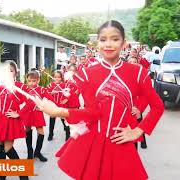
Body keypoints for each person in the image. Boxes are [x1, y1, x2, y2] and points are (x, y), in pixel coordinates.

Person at [35, 20, 164, 180]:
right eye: (103, 39)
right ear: (97, 43)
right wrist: (56, 109)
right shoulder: (86, 74)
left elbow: (157, 106)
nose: (108, 44)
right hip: (92, 143)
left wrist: (138, 131)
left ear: (124, 43)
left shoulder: (138, 73)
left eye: (115, 39)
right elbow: (91, 113)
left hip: (121, 143)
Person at [21, 70, 54, 162]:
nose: (32, 83)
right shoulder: (25, 90)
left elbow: (50, 99)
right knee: (27, 131)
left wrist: (43, 106)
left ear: (38, 80)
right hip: (27, 113)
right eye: (30, 81)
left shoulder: (42, 90)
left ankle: (38, 152)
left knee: (41, 132)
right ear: (27, 80)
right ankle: (29, 152)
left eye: (34, 81)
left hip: (37, 113)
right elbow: (20, 100)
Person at [46, 70, 70, 141]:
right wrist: (51, 93)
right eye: (55, 77)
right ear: (53, 77)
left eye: (59, 77)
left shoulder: (65, 85)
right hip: (53, 105)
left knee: (64, 119)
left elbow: (68, 93)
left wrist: (66, 99)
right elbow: (47, 94)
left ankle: (67, 134)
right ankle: (51, 133)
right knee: (52, 119)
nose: (57, 79)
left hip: (62, 104)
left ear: (61, 78)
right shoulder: (50, 85)